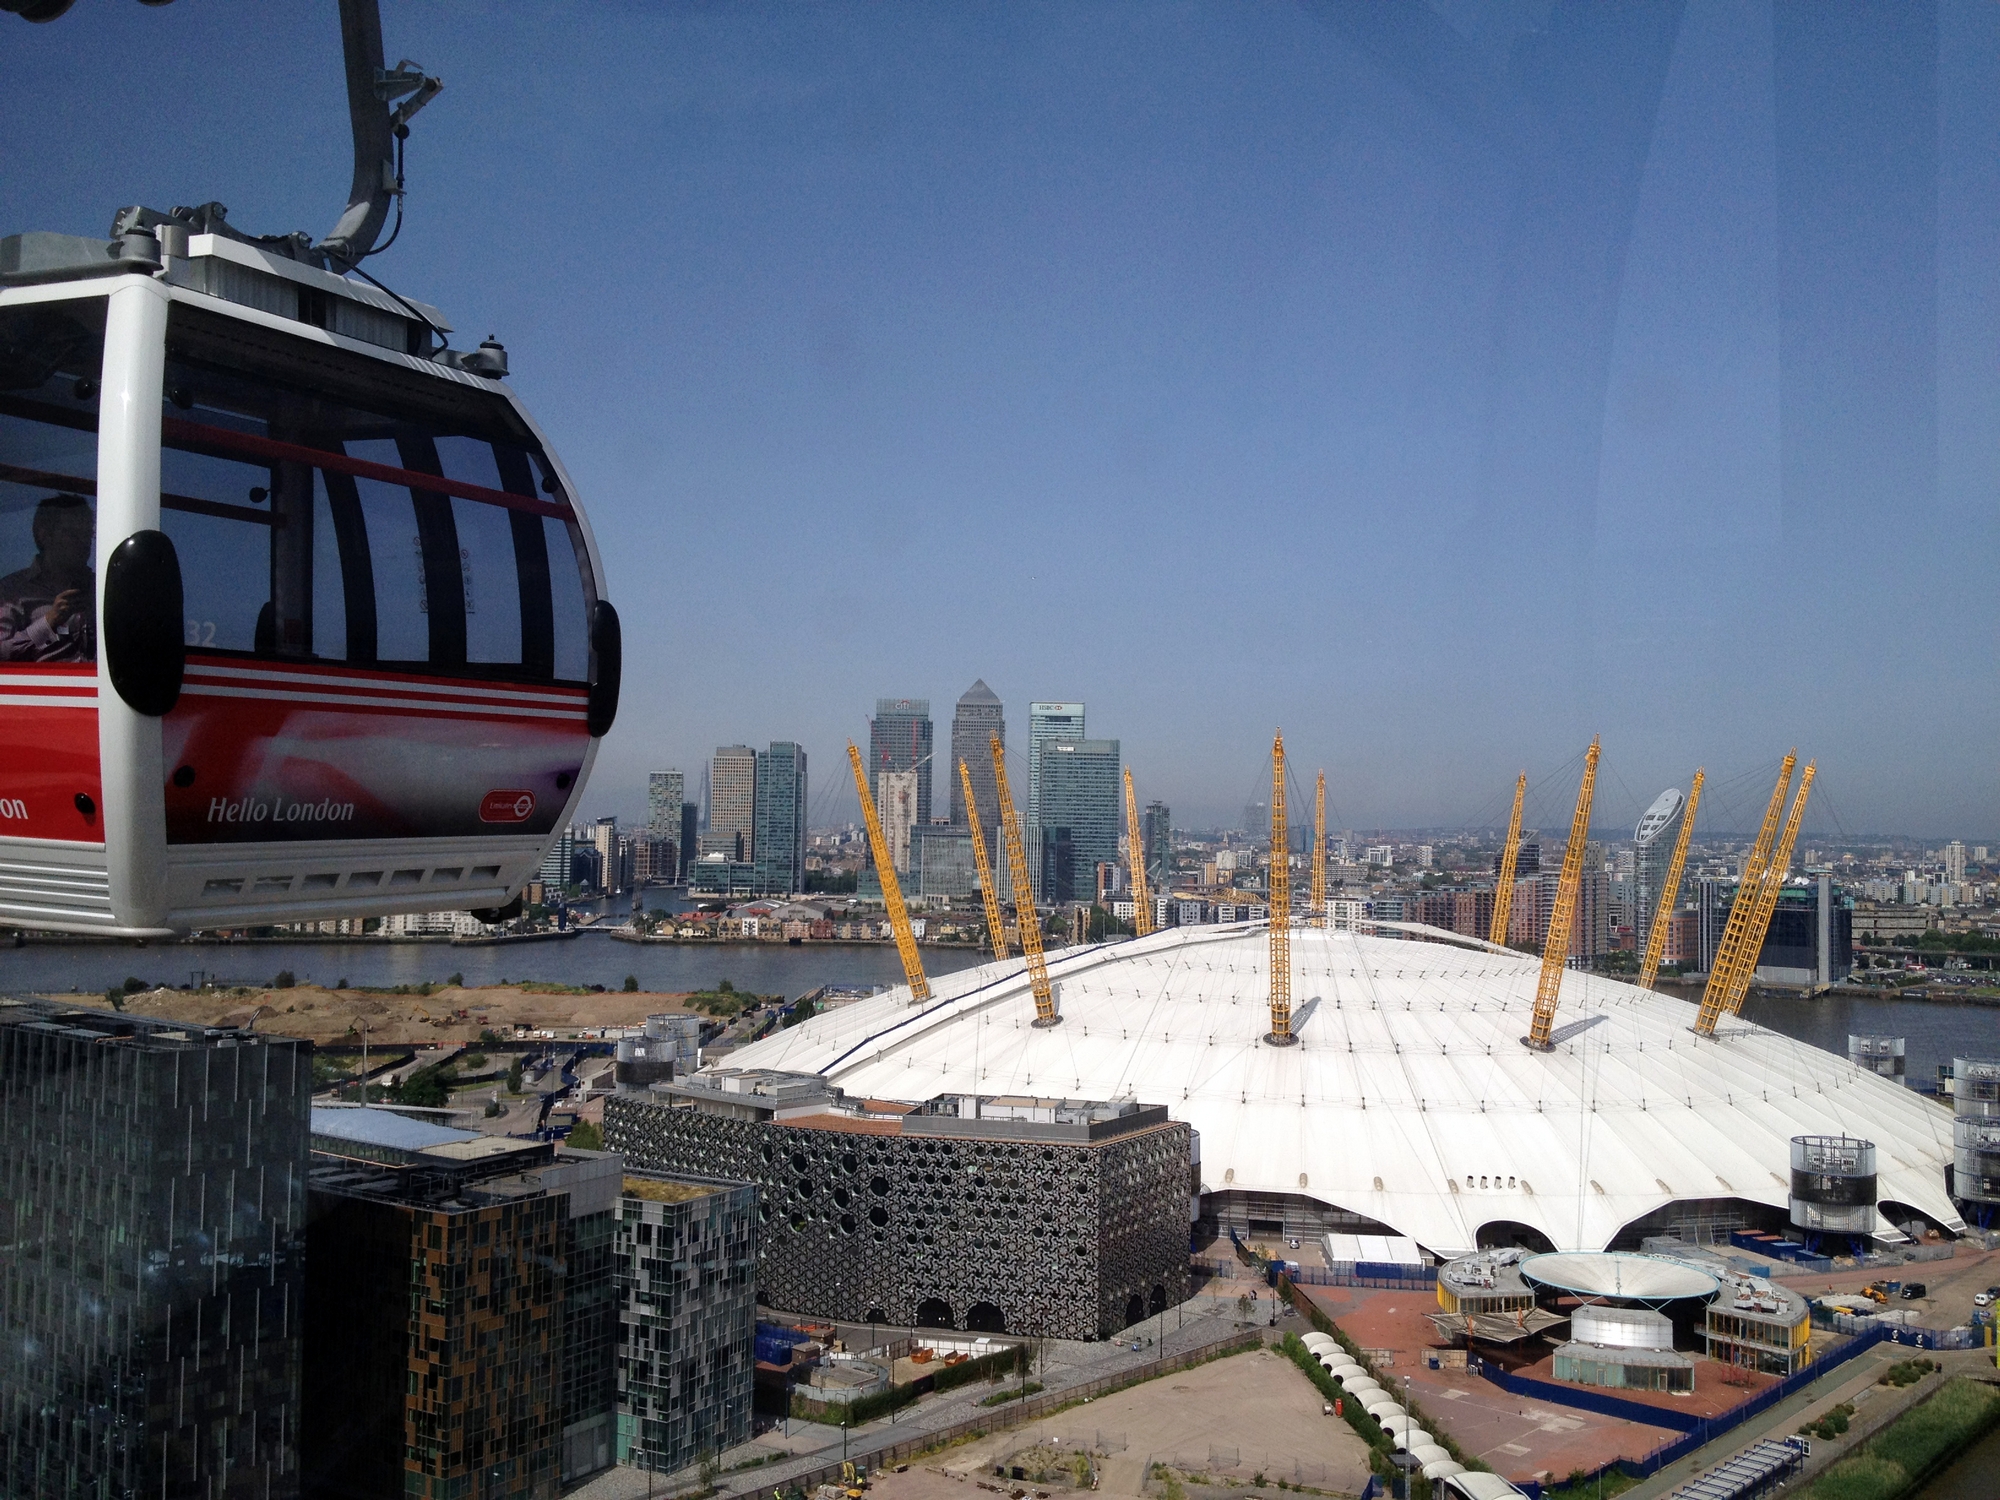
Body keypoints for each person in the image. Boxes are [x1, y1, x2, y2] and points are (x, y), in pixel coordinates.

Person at [0, 493, 95, 662]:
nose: (84, 542)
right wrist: (50, 621)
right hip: (42, 687)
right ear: (45, 536)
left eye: (88, 533)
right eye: (73, 533)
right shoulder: (11, 592)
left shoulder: (104, 589)